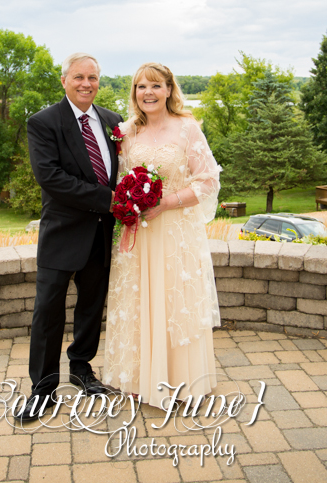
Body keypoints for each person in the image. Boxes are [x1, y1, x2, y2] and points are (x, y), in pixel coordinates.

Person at [103, 62, 222, 408]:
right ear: (134, 93)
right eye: (141, 87)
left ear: (169, 90)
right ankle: (140, 378)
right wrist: (128, 205)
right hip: (138, 234)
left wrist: (166, 202)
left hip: (174, 233)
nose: (148, 93)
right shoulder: (127, 133)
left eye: (156, 86)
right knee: (139, 301)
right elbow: (118, 180)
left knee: (174, 301)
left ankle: (179, 380)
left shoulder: (187, 128)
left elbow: (208, 180)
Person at [18, 52, 122, 424]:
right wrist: (111, 200)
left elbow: (123, 170)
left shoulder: (113, 122)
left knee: (92, 306)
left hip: (101, 235)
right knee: (47, 312)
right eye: (78, 77)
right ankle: (42, 390)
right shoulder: (44, 122)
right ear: (64, 80)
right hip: (62, 236)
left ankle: (81, 368)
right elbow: (51, 178)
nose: (86, 84)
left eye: (92, 77)